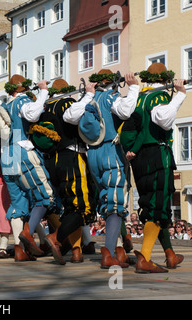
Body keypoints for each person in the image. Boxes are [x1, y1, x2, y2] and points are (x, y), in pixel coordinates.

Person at [65, 69, 140, 269]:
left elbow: (69, 117)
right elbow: (125, 111)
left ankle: (118, 250)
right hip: (111, 151)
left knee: (106, 201)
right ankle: (108, 253)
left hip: (93, 154)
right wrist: (133, 88)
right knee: (116, 202)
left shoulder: (88, 98)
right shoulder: (110, 96)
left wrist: (88, 94)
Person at [120, 62, 186, 273]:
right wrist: (180, 95)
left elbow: (128, 129)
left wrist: (130, 149)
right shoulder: (157, 96)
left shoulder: (137, 98)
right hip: (157, 154)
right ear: (164, 80)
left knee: (152, 206)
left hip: (139, 158)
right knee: (158, 209)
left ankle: (170, 255)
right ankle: (144, 258)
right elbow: (164, 119)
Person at [37, 79, 98, 265]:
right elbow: (72, 116)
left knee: (71, 208)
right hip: (71, 157)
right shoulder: (66, 103)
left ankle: (77, 251)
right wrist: (88, 95)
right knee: (82, 207)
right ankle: (56, 237)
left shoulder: (45, 108)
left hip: (53, 161)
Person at [0, 74, 53, 262]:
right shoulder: (22, 101)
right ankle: (27, 234)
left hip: (7, 155)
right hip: (22, 152)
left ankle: (20, 250)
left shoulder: (3, 107)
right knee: (45, 196)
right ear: (23, 89)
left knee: (18, 203)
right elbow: (33, 113)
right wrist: (44, 91)